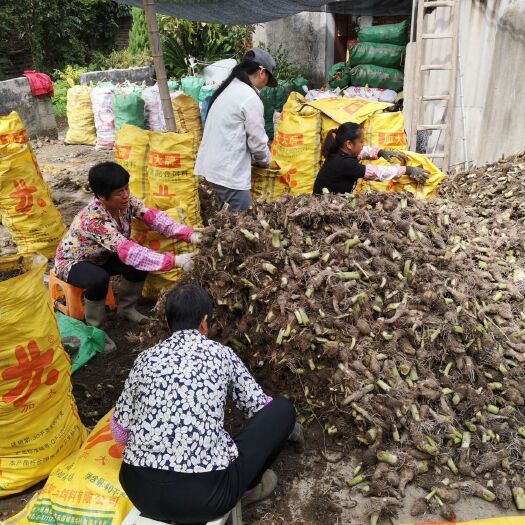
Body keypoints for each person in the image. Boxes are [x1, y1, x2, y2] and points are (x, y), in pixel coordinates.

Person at [110, 284, 301, 524]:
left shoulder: (145, 358)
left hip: (139, 491)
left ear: (169, 323)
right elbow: (259, 408)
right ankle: (249, 489)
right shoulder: (222, 354)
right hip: (205, 498)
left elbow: (119, 433)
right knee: (282, 410)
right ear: (204, 322)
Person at [53, 162, 200, 351]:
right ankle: (96, 329)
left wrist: (188, 234)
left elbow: (154, 218)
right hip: (74, 261)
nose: (125, 195)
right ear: (101, 196)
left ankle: (127, 309)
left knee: (138, 265)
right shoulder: (94, 220)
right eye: (118, 192)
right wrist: (175, 261)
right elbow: (129, 251)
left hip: (103, 256)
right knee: (99, 278)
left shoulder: (127, 202)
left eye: (126, 188)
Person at [194, 48, 277, 212]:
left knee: (219, 227)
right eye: (268, 78)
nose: (266, 84)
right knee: (244, 227)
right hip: (228, 177)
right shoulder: (249, 97)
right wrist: (268, 162)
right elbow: (258, 143)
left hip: (207, 172)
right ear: (261, 72)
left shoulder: (227, 89)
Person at [313, 122, 429, 195]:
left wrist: (380, 152)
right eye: (361, 141)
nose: (363, 144)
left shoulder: (340, 152)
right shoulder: (344, 163)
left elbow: (362, 151)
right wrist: (407, 170)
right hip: (324, 206)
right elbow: (378, 173)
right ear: (349, 144)